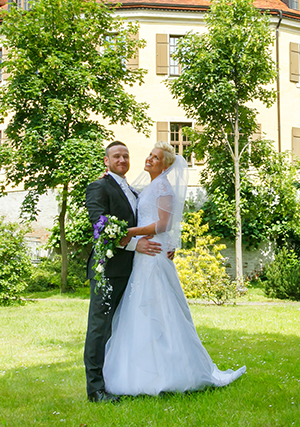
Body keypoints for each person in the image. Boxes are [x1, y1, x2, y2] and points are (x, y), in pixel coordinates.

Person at [103, 141, 246, 396]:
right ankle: (140, 371)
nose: (149, 159)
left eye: (155, 158)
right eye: (149, 155)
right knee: (140, 308)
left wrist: (129, 232)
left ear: (165, 166)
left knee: (161, 307)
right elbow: (130, 197)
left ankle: (172, 372)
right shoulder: (148, 188)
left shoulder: (164, 188)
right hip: (145, 254)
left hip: (154, 255)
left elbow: (164, 223)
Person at [83, 141, 162, 403]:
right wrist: (134, 243)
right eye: (117, 156)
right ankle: (95, 389)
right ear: (106, 161)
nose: (123, 160)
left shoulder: (131, 190)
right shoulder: (99, 186)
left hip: (133, 271)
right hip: (108, 270)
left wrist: (168, 246)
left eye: (126, 156)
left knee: (120, 329)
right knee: (99, 329)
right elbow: (101, 225)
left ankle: (115, 380)